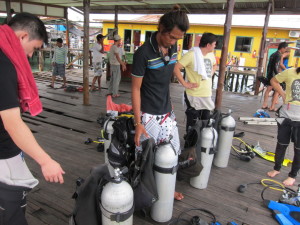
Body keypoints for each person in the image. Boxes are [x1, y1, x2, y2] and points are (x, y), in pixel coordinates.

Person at [0, 13, 65, 225]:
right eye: (35, 49)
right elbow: (12, 122)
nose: (30, 56)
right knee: (11, 213)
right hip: (2, 156)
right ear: (22, 37)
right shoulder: (3, 64)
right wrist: (46, 161)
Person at [131, 5, 190, 201]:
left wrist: (182, 81)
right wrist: (138, 123)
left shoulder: (173, 47)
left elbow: (172, 65)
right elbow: (135, 89)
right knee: (148, 157)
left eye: (177, 39)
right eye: (171, 37)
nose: (173, 42)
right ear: (161, 28)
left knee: (171, 153)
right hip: (148, 114)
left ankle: (166, 188)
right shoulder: (143, 53)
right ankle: (147, 192)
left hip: (166, 111)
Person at [174, 32, 217, 132]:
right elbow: (176, 68)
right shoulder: (191, 55)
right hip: (194, 94)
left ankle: (201, 142)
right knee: (193, 120)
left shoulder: (211, 55)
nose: (215, 46)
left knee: (206, 121)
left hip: (206, 93)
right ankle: (190, 143)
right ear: (208, 45)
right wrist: (184, 83)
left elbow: (214, 65)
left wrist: (211, 73)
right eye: (214, 44)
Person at [267, 67, 300, 186]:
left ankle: (292, 175)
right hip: (286, 115)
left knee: (298, 149)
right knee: (281, 144)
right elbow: (273, 80)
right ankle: (276, 168)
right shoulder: (291, 72)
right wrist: (282, 93)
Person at [262, 42, 288, 111]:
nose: (285, 51)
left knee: (268, 90)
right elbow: (276, 66)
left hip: (270, 74)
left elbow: (269, 66)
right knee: (277, 91)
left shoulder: (273, 54)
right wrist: (278, 75)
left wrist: (268, 74)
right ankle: (272, 107)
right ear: (282, 48)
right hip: (274, 75)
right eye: (285, 49)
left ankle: (264, 104)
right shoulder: (279, 55)